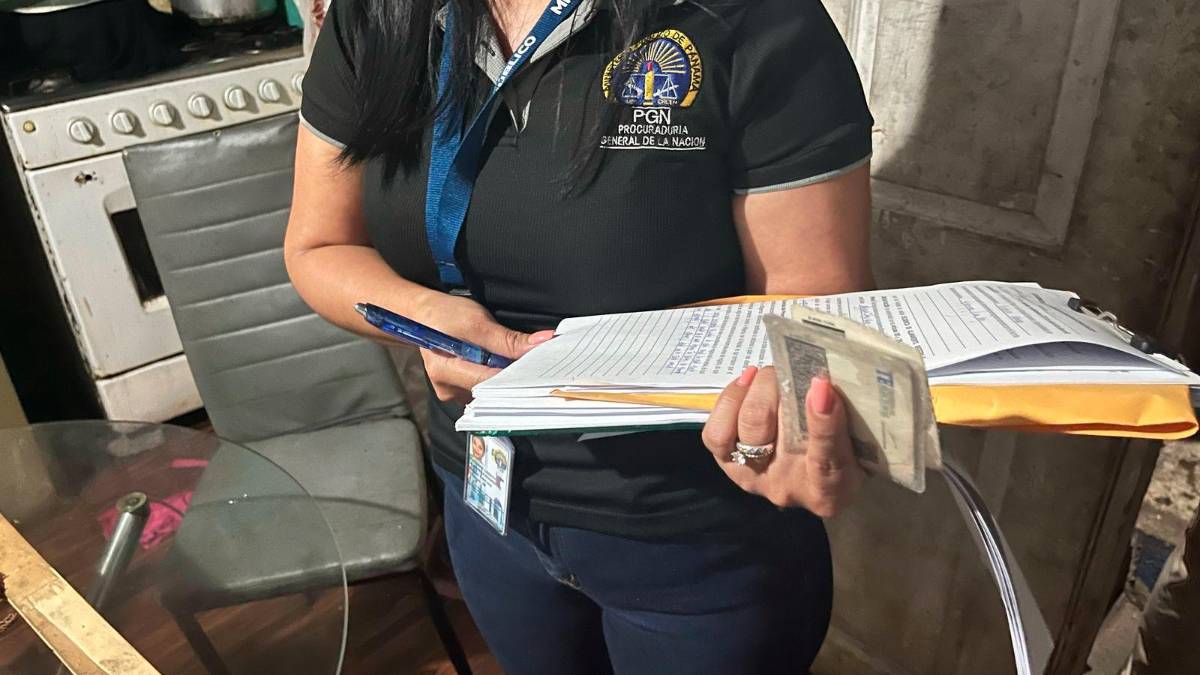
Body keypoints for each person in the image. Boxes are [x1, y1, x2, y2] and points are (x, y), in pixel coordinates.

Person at [285, 0, 874, 671]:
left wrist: (793, 412)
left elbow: (811, 308)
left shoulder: (748, 18)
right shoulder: (374, 15)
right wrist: (423, 316)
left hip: (695, 546)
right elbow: (319, 245)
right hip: (484, 505)